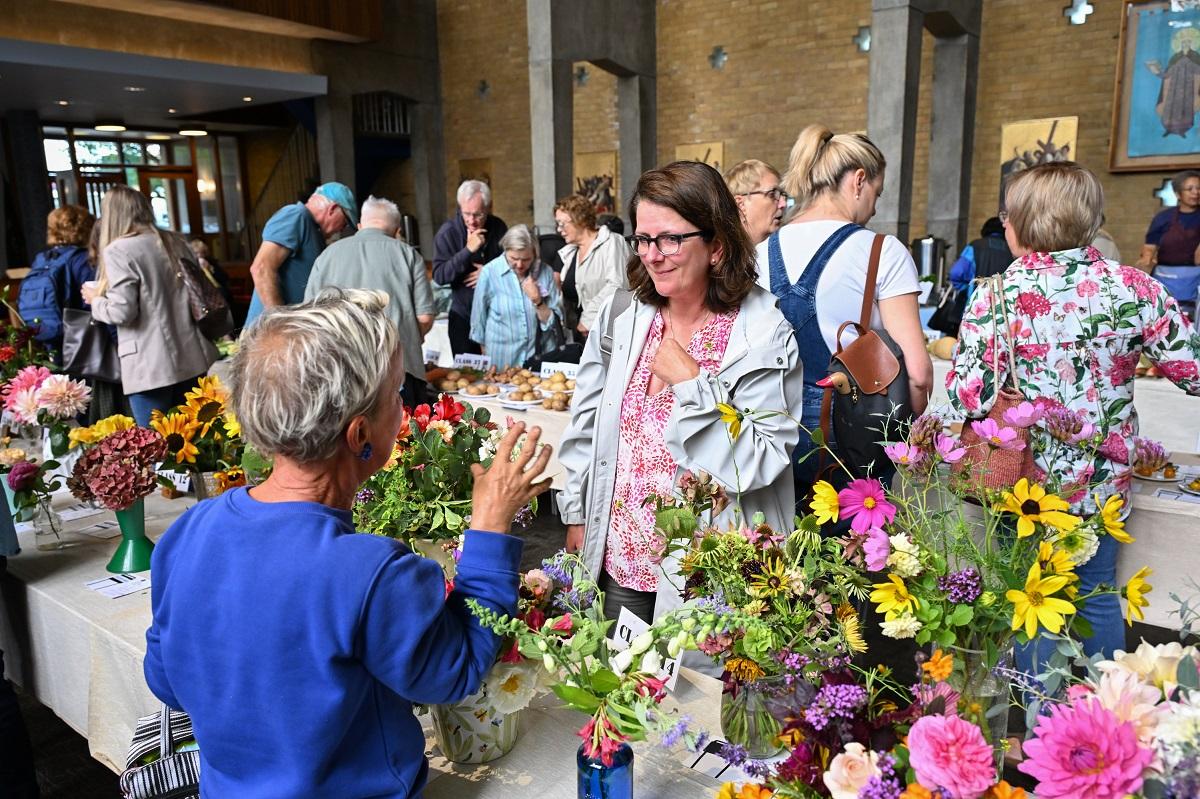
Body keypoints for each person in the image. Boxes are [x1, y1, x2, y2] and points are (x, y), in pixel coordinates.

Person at [144, 288, 552, 798]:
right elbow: (457, 671)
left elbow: (165, 681)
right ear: (361, 434)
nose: (404, 408)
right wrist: (491, 525)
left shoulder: (188, 532)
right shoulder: (368, 571)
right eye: (396, 396)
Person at [947, 161, 1200, 669]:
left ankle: (1044, 730)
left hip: (1019, 485)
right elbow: (1192, 373)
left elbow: (967, 400)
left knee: (1030, 598)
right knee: (1097, 593)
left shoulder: (994, 296)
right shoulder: (1134, 288)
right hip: (1101, 486)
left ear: (1019, 222)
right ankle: (1101, 714)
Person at [558, 161, 804, 624]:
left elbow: (762, 459)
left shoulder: (762, 334)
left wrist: (693, 385)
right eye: (644, 239)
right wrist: (576, 512)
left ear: (716, 245)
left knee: (691, 696)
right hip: (619, 560)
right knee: (620, 688)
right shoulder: (623, 316)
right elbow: (586, 424)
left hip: (704, 576)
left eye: (670, 238)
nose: (652, 255)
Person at [758, 124, 932, 494]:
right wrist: (914, 441)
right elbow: (916, 373)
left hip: (767, 426)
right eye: (876, 193)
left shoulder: (759, 253)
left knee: (773, 543)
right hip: (851, 428)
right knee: (854, 546)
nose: (874, 207)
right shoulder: (882, 251)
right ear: (858, 180)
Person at [81, 186, 217, 426]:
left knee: (154, 449)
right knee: (197, 442)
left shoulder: (118, 250)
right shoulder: (174, 240)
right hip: (194, 355)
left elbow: (123, 311)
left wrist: (96, 301)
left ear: (111, 214)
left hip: (150, 365)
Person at [306, 196, 436, 405]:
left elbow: (311, 319)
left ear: (359, 226)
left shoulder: (327, 256)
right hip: (400, 371)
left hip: (343, 372)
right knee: (405, 435)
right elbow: (425, 317)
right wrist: (410, 338)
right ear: (396, 231)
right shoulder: (408, 254)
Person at [245, 182, 358, 327]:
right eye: (345, 221)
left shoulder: (314, 231)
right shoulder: (296, 215)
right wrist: (280, 322)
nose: (342, 229)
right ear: (333, 209)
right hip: (268, 334)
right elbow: (261, 268)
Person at [468, 225, 563, 369]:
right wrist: (485, 357)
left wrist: (537, 301)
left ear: (535, 254)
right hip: (501, 360)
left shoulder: (546, 272)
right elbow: (478, 321)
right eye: (514, 258)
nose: (519, 265)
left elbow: (556, 323)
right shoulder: (489, 273)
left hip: (538, 358)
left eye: (526, 259)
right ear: (505, 251)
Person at [432, 180, 508, 356]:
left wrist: (489, 272)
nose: (472, 221)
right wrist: (467, 251)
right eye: (466, 214)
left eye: (478, 215)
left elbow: (513, 265)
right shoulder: (448, 233)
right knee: (467, 373)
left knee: (501, 373)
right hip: (463, 315)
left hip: (498, 315)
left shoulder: (499, 227)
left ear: (488, 208)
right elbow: (440, 276)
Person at [18, 204, 95, 362]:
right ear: (84, 227)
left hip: (47, 334)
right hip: (80, 339)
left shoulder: (42, 258)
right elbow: (91, 301)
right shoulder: (82, 259)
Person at [555, 193, 631, 339]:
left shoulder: (612, 242)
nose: (559, 229)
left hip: (609, 332)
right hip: (582, 333)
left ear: (580, 220)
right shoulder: (571, 251)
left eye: (562, 223)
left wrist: (588, 318)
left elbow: (618, 285)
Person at [724, 159, 789, 245]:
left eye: (782, 195)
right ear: (740, 205)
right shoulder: (718, 255)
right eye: (772, 194)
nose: (783, 204)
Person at [188, 238, 235, 316]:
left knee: (225, 295)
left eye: (202, 253)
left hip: (220, 292)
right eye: (196, 253)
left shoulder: (211, 262)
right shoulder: (190, 267)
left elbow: (225, 278)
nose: (200, 256)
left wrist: (210, 268)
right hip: (204, 296)